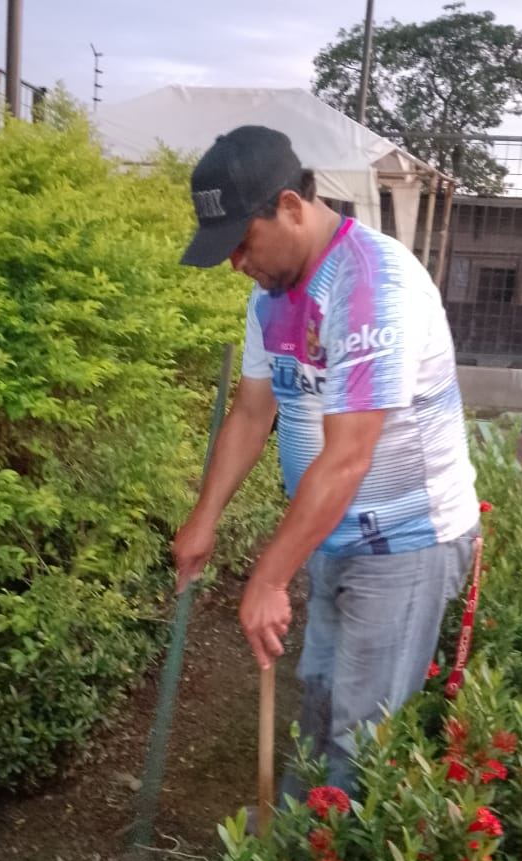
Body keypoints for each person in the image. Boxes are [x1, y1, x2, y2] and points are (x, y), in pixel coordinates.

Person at [173, 125, 479, 796]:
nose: (235, 264)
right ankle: (294, 844)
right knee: (318, 702)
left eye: (241, 243)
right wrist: (204, 519)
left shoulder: (372, 284)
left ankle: (325, 856)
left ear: (289, 207)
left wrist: (268, 578)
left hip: (404, 542)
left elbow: (348, 458)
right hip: (332, 533)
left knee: (360, 738)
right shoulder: (271, 297)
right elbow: (252, 412)